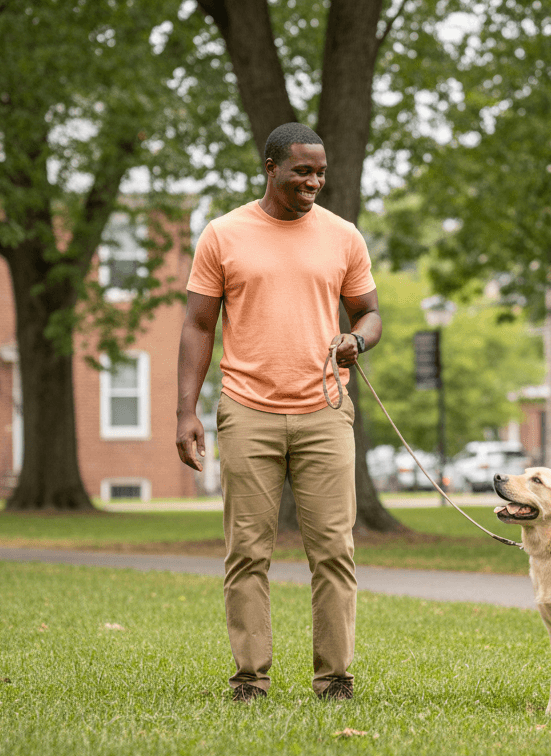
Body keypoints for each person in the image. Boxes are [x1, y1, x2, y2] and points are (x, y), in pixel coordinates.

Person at [175, 122, 381, 703]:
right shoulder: (223, 234)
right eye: (302, 171)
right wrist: (184, 413)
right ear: (270, 168)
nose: (314, 181)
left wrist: (357, 341)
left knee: (335, 550)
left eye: (320, 171)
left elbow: (369, 312)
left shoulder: (343, 237)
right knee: (247, 552)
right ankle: (250, 679)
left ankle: (335, 679)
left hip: (325, 411)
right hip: (247, 410)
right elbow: (197, 325)